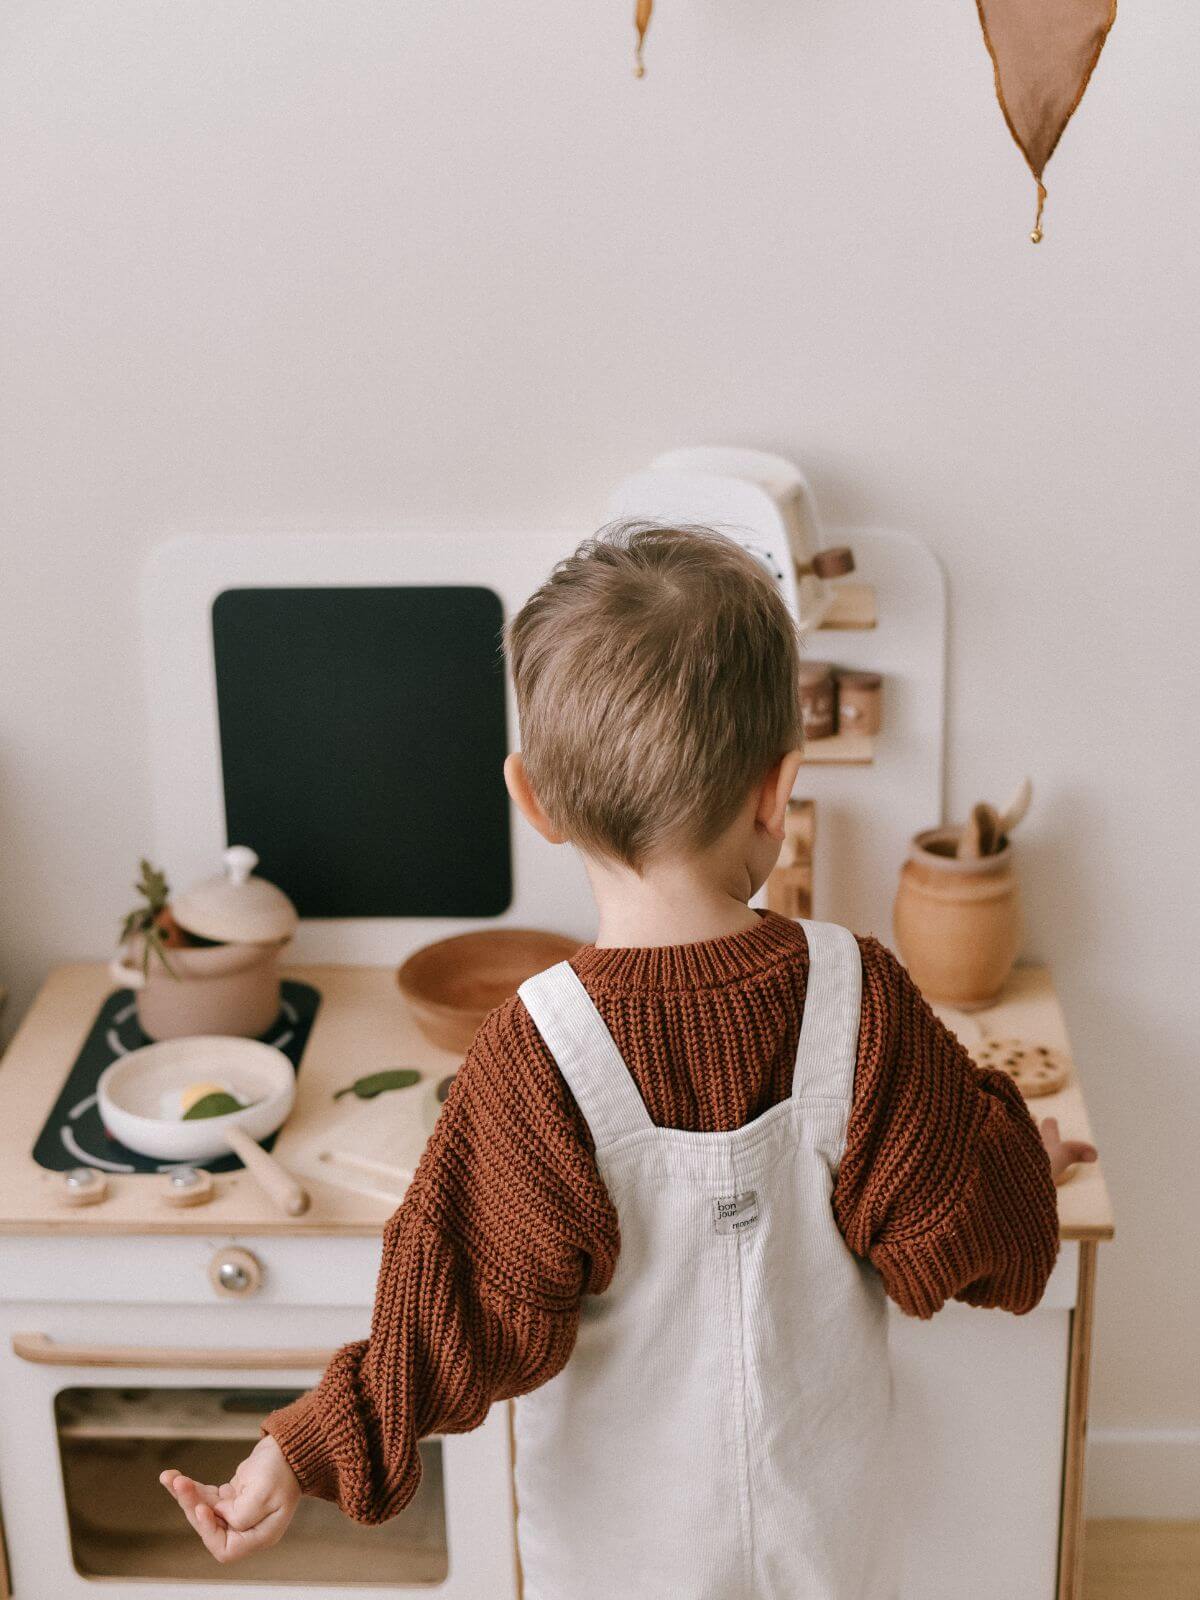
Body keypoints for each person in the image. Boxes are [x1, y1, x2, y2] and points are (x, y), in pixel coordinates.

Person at [161, 522, 1095, 1598]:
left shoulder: (533, 1054)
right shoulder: (861, 997)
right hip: (825, 1552)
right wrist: (1028, 1158)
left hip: (615, 1565)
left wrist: (301, 1445)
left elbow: (450, 1312)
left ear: (533, 800)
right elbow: (972, 1222)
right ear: (775, 793)